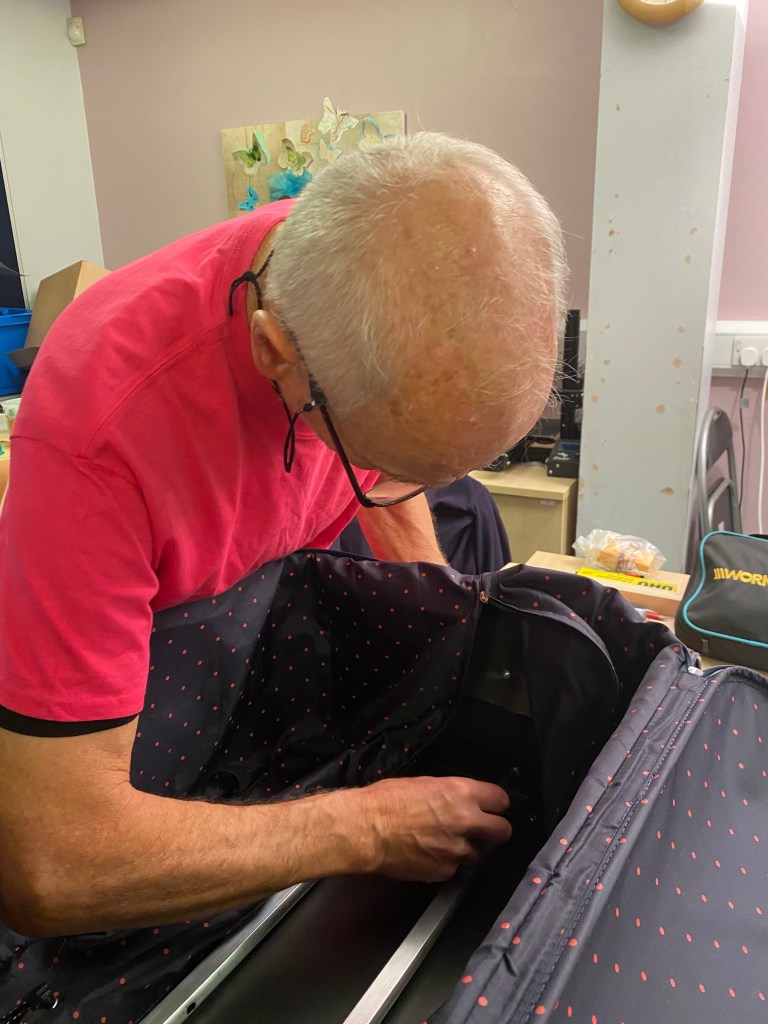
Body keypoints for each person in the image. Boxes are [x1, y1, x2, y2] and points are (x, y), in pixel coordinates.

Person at [0, 133, 567, 937]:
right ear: (273, 351)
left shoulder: (377, 242)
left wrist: (447, 635)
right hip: (146, 715)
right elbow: (53, 866)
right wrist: (365, 829)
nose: (386, 482)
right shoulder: (99, 435)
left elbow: (387, 469)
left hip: (253, 630)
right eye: (373, 455)